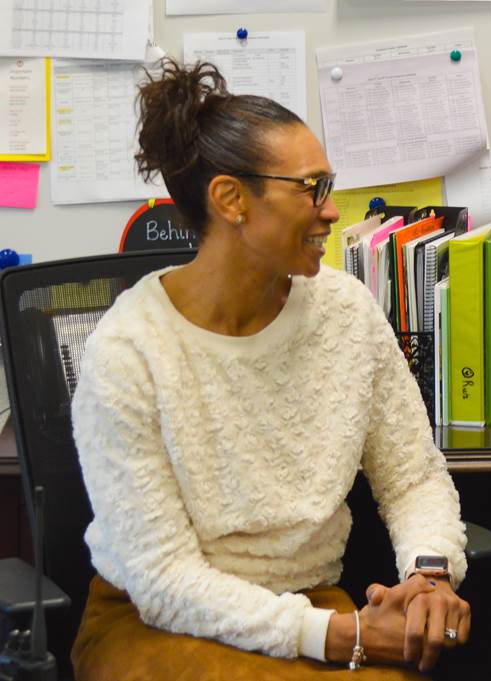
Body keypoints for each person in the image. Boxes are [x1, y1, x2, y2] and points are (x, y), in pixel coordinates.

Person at [70, 58, 470, 680]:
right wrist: (343, 638)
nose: (334, 211)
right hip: (154, 622)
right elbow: (162, 579)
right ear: (232, 199)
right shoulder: (129, 349)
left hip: (316, 605)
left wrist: (427, 577)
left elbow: (413, 477)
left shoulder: (345, 311)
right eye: (311, 188)